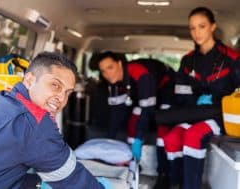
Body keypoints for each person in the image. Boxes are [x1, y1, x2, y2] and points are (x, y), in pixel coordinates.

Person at [0, 52, 112, 189]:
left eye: (68, 92)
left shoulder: (1, 99)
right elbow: (72, 178)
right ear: (29, 80)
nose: (61, 97)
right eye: (55, 85)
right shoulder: (35, 124)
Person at [154, 7, 240, 189]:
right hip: (193, 113)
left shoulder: (232, 58)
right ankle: (175, 182)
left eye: (201, 26)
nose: (196, 32)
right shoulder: (188, 61)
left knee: (194, 135)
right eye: (192, 28)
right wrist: (193, 104)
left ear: (212, 27)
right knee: (172, 137)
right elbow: (180, 92)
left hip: (219, 115)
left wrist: (215, 101)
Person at [96, 52, 175, 161]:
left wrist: (138, 138)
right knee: (134, 121)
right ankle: (133, 161)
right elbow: (117, 112)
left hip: (167, 87)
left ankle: (163, 172)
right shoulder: (113, 82)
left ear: (119, 64)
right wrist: (109, 141)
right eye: (103, 71)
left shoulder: (140, 73)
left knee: (163, 122)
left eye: (110, 67)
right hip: (145, 91)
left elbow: (147, 110)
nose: (107, 74)